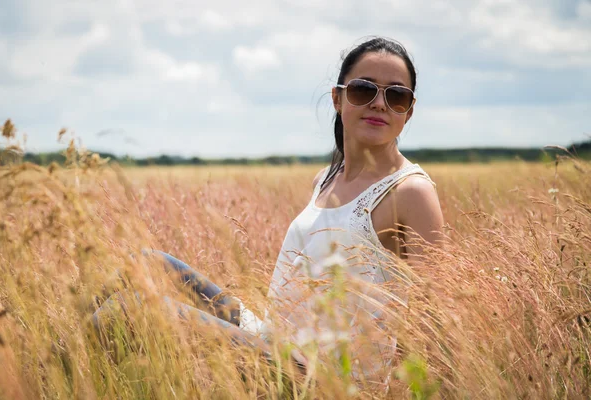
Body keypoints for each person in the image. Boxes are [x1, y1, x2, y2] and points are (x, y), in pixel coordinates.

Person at [93, 36, 444, 384]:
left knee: (129, 309)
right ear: (338, 98)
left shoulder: (410, 191)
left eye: (396, 95)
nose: (380, 103)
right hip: (274, 342)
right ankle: (67, 365)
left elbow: (432, 326)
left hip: (326, 380)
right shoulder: (326, 179)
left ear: (409, 111)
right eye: (363, 90)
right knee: (146, 262)